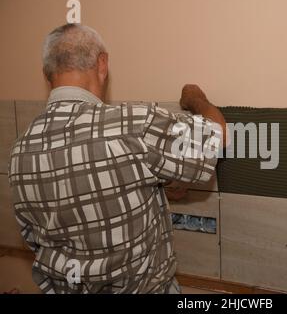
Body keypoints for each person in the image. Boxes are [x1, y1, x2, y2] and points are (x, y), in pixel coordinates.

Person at [7, 23, 227, 293]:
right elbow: (217, 138)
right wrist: (196, 99)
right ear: (102, 64)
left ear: (46, 74)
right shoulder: (132, 124)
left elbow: (39, 237)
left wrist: (149, 188)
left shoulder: (20, 151)